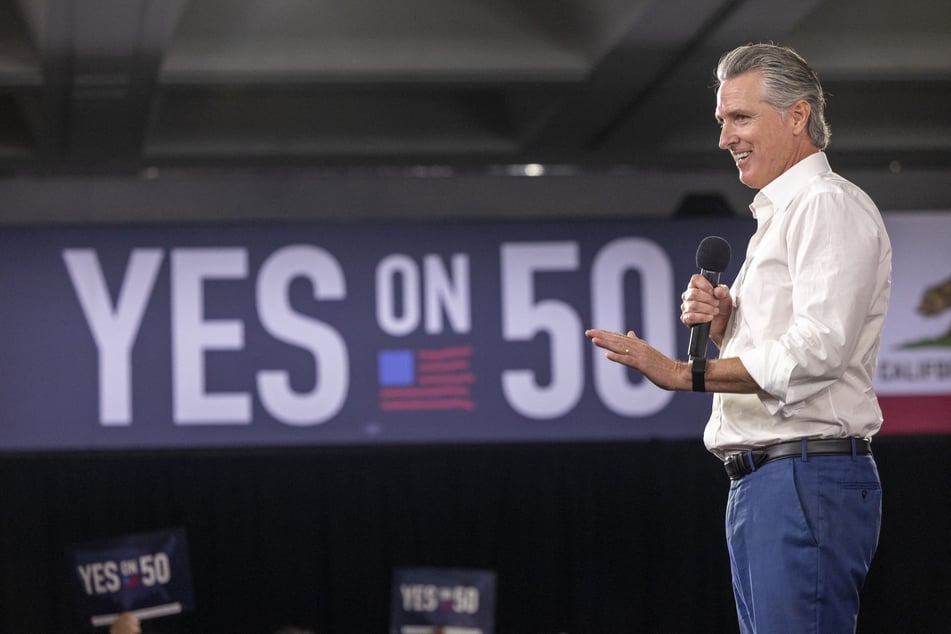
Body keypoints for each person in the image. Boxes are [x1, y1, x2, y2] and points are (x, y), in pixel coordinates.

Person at [586, 43, 891, 633]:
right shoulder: (782, 214)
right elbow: (792, 347)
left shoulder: (826, 206)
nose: (725, 137)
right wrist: (730, 326)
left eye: (740, 118)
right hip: (768, 481)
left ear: (797, 117)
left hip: (804, 477)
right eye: (722, 121)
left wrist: (684, 373)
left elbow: (818, 352)